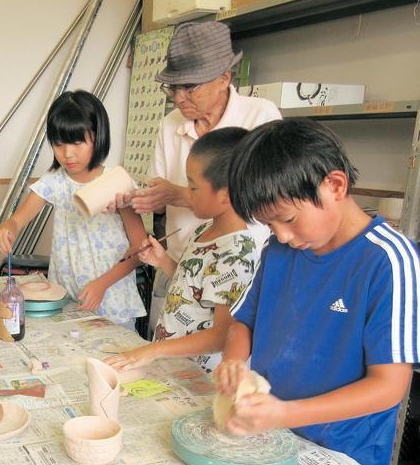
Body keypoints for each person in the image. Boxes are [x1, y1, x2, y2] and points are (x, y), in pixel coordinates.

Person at [214, 119, 419, 464]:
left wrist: (286, 413)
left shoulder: (387, 260)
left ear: (335, 186)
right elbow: (242, 323)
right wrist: (234, 363)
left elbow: (388, 387)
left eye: (289, 219)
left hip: (343, 451)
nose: (280, 235)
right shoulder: (279, 252)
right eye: (268, 225)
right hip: (274, 435)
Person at [110, 22, 281, 337]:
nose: (179, 98)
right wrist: (142, 199)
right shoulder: (170, 124)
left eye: (190, 87)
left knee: (220, 352)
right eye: (173, 88)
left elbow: (264, 201)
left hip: (238, 272)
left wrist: (177, 195)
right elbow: (158, 190)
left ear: (224, 78)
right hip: (182, 264)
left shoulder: (260, 117)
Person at [106, 128, 259, 373]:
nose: (186, 194)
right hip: (172, 365)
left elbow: (223, 336)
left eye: (193, 187)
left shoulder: (236, 254)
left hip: (199, 378)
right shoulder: (205, 230)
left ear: (226, 194)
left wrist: (152, 350)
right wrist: (163, 261)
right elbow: (195, 286)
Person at [0, 90, 146, 327]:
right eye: (58, 144)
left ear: (98, 136)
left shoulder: (117, 183)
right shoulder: (54, 181)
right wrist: (7, 228)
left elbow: (140, 249)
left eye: (77, 142)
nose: (67, 154)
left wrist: (103, 283)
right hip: (68, 297)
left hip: (114, 301)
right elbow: (17, 220)